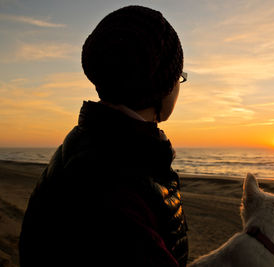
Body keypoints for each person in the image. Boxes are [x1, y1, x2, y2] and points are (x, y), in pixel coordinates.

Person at [19, 5, 188, 267]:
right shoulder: (113, 185)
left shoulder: (84, 143)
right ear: (162, 84)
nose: (179, 84)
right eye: (179, 76)